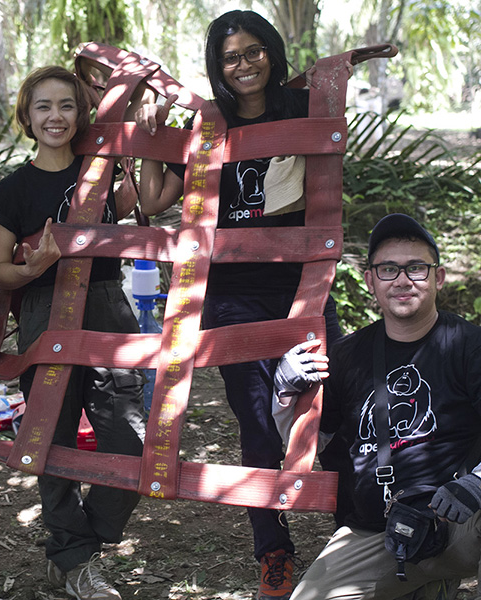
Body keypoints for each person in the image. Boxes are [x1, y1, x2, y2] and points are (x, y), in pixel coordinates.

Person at [133, 10, 344, 598]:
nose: (244, 64)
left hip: (303, 284)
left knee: (331, 405)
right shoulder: (208, 124)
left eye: (254, 51)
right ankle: (272, 549)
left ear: (272, 52)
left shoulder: (302, 112)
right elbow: (153, 200)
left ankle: (357, 530)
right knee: (255, 418)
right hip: (230, 294)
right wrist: (150, 138)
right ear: (217, 66)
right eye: (231, 57)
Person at [0, 65, 145, 600]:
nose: (55, 116)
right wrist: (30, 269)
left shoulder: (101, 174)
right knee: (51, 438)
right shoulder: (13, 189)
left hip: (106, 306)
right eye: (43, 106)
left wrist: (147, 122)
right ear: (26, 117)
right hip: (43, 309)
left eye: (67, 105)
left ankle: (76, 547)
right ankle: (76, 561)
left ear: (81, 114)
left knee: (129, 441)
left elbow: (150, 196)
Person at [273, 213, 481, 599]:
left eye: (416, 268)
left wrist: (477, 483)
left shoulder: (469, 345)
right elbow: (311, 443)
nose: (402, 280)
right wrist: (285, 390)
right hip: (380, 532)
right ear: (371, 281)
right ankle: (426, 584)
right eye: (388, 269)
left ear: (438, 277)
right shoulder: (348, 355)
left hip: (460, 520)